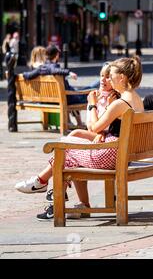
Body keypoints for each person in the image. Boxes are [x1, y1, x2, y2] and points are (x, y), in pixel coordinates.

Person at [15, 57, 145, 220]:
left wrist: (91, 104)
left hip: (111, 156)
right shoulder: (136, 99)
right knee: (72, 142)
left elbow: (94, 127)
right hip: (122, 153)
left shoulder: (120, 103)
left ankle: (42, 183)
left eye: (111, 76)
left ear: (122, 78)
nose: (109, 79)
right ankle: (68, 197)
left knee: (65, 148)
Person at [33, 63, 119, 220]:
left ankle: (45, 184)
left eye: (108, 76)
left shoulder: (114, 100)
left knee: (68, 151)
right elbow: (91, 126)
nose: (103, 79)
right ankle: (79, 203)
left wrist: (93, 107)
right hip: (112, 146)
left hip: (111, 151)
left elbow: (96, 127)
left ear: (116, 79)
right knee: (74, 136)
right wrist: (98, 130)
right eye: (101, 75)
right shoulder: (101, 96)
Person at [23, 45, 100, 126]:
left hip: (52, 98)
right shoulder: (53, 67)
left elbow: (27, 75)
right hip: (70, 98)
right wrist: (68, 72)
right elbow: (53, 70)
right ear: (57, 56)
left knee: (91, 86)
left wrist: (18, 75)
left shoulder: (41, 68)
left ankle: (78, 123)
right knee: (94, 89)